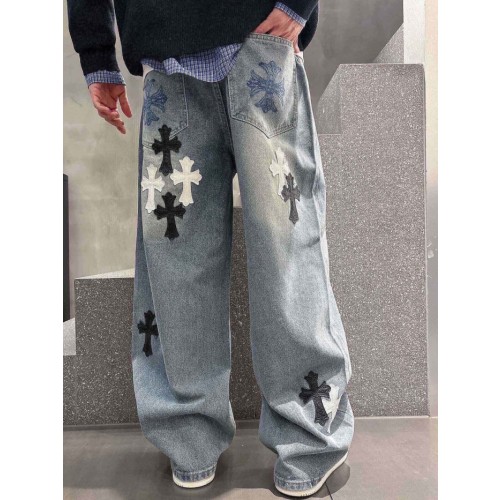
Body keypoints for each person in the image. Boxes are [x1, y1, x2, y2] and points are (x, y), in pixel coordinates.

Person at [67, 0, 354, 496]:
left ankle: (294, 433)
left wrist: (297, 5)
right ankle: (197, 436)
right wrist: (95, 51)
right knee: (183, 261)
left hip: (256, 44)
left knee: (281, 251)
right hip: (173, 55)